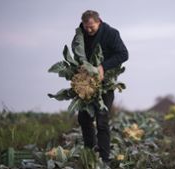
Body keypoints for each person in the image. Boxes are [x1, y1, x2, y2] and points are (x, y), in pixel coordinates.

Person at [71, 10, 129, 164]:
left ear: (99, 22)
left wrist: (103, 67)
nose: (88, 30)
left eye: (92, 27)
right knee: (84, 118)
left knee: (102, 120)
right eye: (86, 27)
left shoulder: (111, 33)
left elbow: (123, 54)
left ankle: (105, 159)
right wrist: (81, 69)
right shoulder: (80, 35)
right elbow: (77, 53)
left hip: (105, 85)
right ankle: (90, 153)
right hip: (87, 86)